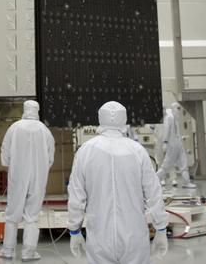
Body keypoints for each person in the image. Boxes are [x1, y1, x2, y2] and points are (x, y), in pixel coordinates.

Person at [68, 101, 169, 264]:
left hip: (99, 238)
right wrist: (161, 228)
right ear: (124, 119)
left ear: (100, 118)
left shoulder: (85, 152)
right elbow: (153, 193)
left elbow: (76, 196)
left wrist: (74, 229)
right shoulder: (138, 151)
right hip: (134, 237)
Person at [0, 100, 55, 261]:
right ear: (37, 111)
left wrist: (11, 165)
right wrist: (42, 168)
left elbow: (5, 153)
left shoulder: (14, 128)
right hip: (38, 176)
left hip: (18, 175)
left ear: (24, 110)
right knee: (32, 214)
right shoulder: (44, 131)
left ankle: (8, 250)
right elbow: (50, 156)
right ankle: (28, 253)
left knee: (12, 212)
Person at [156, 102, 193, 188]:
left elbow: (176, 132)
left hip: (178, 144)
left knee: (184, 163)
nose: (179, 111)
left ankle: (187, 182)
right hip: (172, 145)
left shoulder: (176, 119)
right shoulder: (169, 118)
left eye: (179, 108)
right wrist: (165, 142)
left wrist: (181, 138)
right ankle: (154, 179)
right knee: (166, 165)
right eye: (178, 108)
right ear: (173, 109)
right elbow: (166, 130)